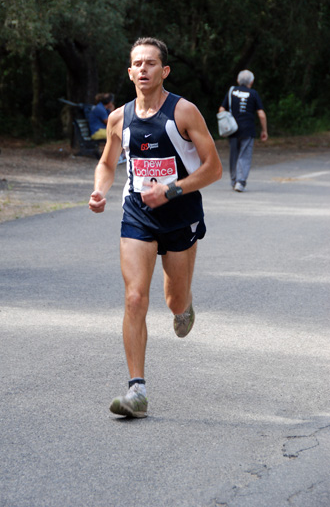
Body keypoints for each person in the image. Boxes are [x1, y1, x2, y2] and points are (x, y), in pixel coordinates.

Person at [88, 37, 222, 417]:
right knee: (134, 298)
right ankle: (137, 391)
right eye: (137, 64)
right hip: (137, 214)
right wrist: (100, 190)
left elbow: (213, 168)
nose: (143, 69)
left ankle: (185, 306)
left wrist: (172, 189)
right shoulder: (119, 118)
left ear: (164, 71)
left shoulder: (184, 112)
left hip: (180, 214)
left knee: (173, 301)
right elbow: (107, 163)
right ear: (130, 72)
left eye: (151, 63)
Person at [218, 70, 268, 192]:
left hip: (232, 130)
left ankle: (234, 180)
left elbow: (221, 109)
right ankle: (240, 182)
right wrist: (264, 130)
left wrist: (224, 127)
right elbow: (261, 114)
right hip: (248, 130)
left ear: (238, 80)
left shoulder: (231, 91)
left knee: (234, 155)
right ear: (251, 81)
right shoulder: (253, 93)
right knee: (244, 156)